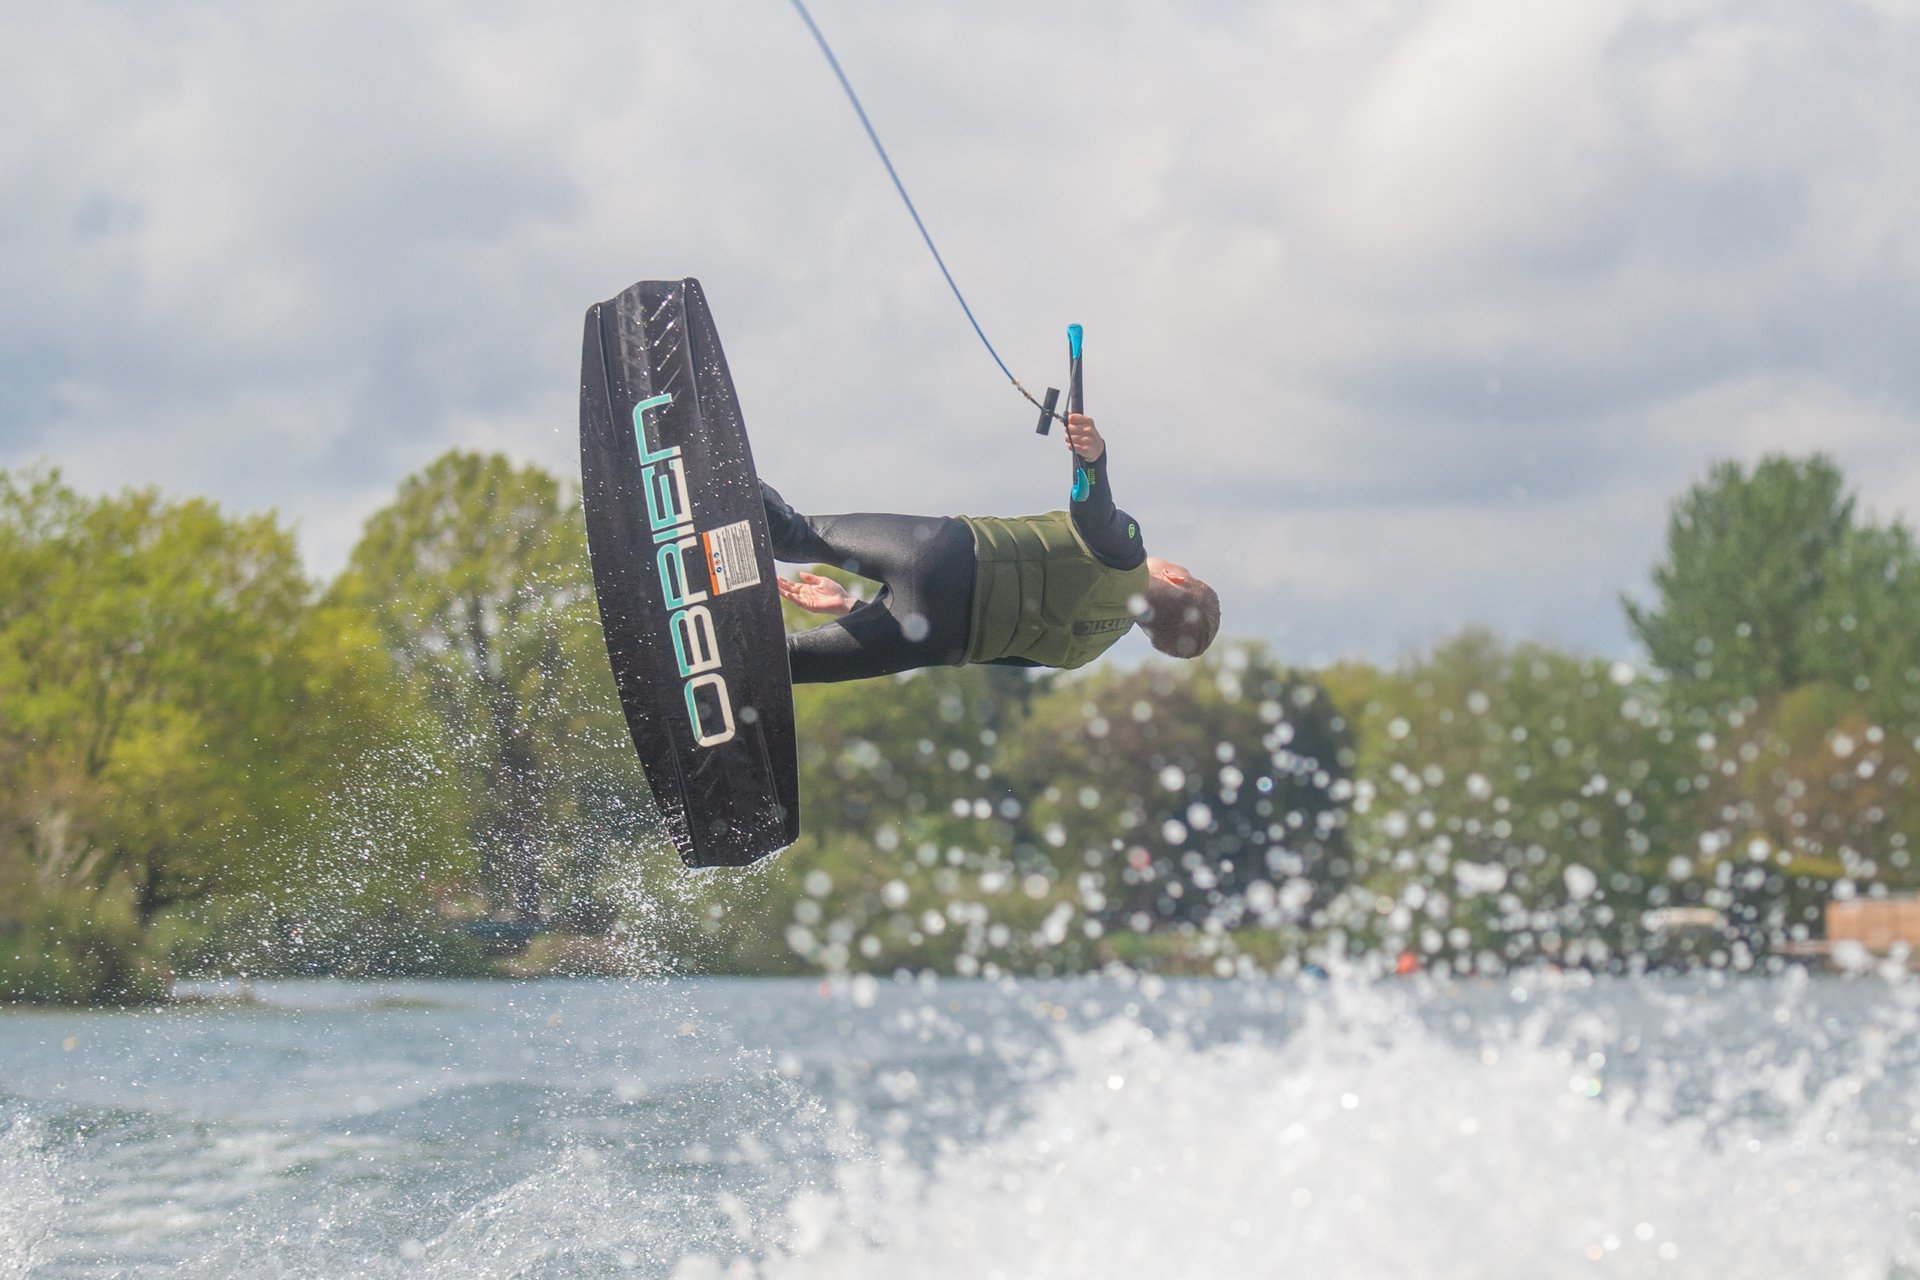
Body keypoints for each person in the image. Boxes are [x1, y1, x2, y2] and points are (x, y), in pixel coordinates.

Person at [766, 413, 1220, 684]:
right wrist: (851, 607)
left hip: (945, 558)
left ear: (1177, 577)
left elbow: (1092, 510)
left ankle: (707, 467)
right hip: (932, 634)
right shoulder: (1085, 653)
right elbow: (987, 649)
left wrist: (1095, 458)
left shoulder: (1128, 557)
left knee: (794, 534)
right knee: (779, 666)